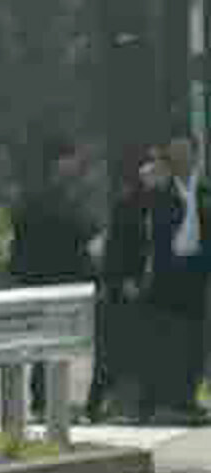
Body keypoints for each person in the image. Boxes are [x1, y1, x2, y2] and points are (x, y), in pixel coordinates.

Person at [9, 135, 96, 419]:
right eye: (70, 158)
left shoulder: (55, 194)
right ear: (58, 162)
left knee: (54, 344)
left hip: (53, 278)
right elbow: (76, 229)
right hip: (47, 278)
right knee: (48, 344)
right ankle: (43, 401)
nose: (76, 164)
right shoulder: (48, 196)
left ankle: (48, 401)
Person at [143, 135, 211, 424]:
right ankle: (166, 401)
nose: (180, 158)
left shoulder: (204, 189)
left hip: (197, 272)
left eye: (185, 151)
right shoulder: (160, 190)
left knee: (196, 340)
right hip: (168, 274)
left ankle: (188, 398)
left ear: (195, 154)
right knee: (170, 339)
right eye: (175, 152)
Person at [87, 150, 155, 422]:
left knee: (138, 352)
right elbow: (116, 249)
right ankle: (98, 404)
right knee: (113, 353)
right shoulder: (127, 205)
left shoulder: (161, 202)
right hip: (124, 288)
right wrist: (122, 279)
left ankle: (138, 406)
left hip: (146, 288)